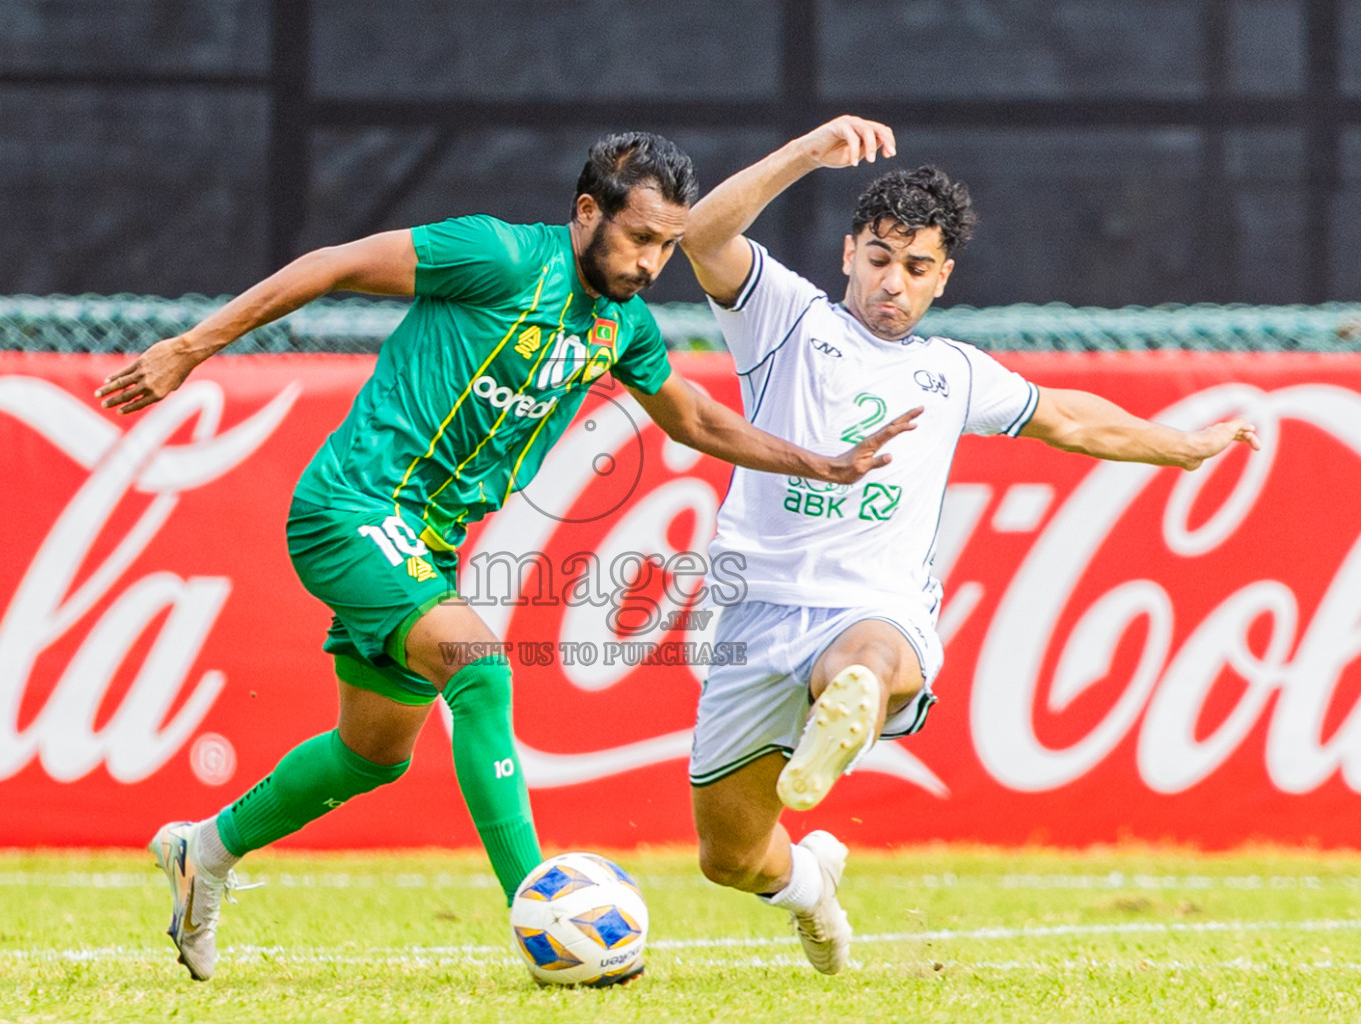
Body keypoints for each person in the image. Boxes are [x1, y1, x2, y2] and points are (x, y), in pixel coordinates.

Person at [96, 130, 913, 984]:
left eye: (668, 245)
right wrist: (190, 347)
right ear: (588, 212)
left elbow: (696, 418)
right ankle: (544, 913)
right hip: (351, 509)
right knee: (480, 667)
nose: (651, 263)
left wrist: (821, 464)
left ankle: (203, 851)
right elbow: (332, 265)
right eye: (639, 238)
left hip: (429, 544)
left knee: (371, 753)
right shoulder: (496, 256)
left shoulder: (622, 326)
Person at [678, 115, 1262, 975]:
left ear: (942, 277)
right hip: (753, 611)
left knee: (867, 659)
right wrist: (807, 152)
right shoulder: (784, 321)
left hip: (869, 608)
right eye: (880, 258)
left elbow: (1069, 418)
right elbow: (701, 235)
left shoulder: (952, 372)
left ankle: (853, 698)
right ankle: (810, 884)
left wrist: (1179, 446)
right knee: (728, 858)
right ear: (848, 254)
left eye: (917, 268)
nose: (893, 282)